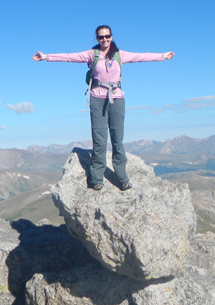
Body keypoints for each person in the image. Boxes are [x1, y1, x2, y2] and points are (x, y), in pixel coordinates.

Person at [33, 25, 174, 191]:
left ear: (112, 37)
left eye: (107, 36)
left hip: (117, 99)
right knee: (99, 141)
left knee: (117, 139)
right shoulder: (91, 55)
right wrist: (46, 57)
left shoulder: (119, 55)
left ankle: (122, 177)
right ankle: (97, 178)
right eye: (101, 37)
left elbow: (141, 56)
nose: (104, 39)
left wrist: (163, 56)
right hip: (97, 99)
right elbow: (69, 57)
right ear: (97, 39)